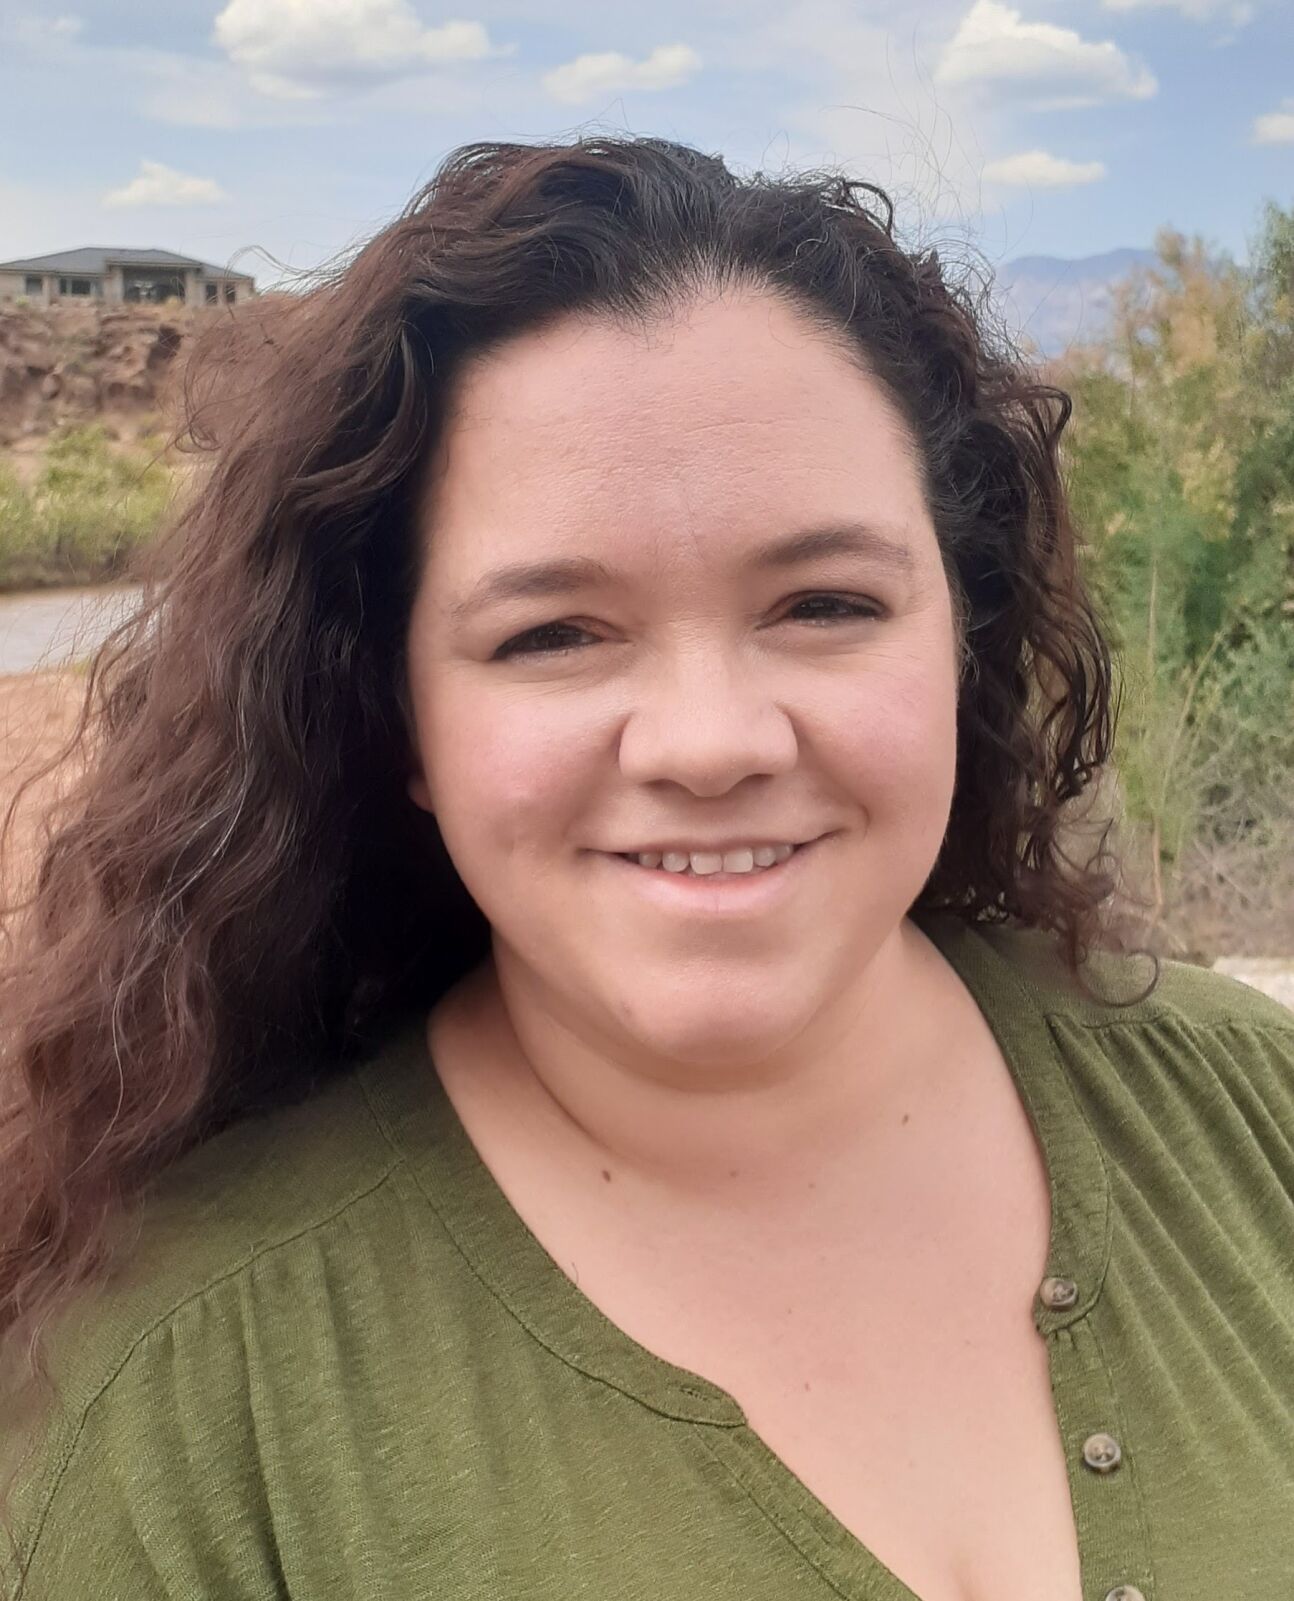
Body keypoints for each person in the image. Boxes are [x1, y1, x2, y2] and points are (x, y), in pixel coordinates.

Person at [0, 135, 1290, 1601]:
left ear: (963, 633)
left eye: (822, 603)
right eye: (553, 633)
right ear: (400, 716)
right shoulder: (175, 1417)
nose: (710, 742)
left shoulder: (1258, 1119)